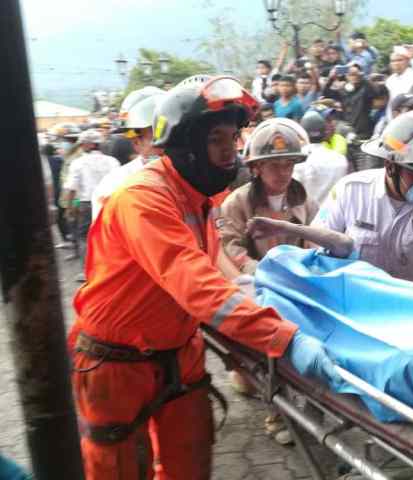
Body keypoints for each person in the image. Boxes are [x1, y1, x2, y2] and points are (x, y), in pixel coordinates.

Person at [68, 76, 339, 479]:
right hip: (116, 365)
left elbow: (217, 271)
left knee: (190, 465)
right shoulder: (143, 198)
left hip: (180, 353)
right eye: (216, 139)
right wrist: (284, 338)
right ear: (185, 145)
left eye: (233, 138)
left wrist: (260, 293)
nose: (230, 151)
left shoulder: (199, 198)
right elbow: (196, 284)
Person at [312, 110, 413, 291]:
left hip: (405, 306)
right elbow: (318, 244)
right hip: (351, 299)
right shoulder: (350, 191)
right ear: (390, 167)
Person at [219, 120, 318, 275]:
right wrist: (264, 275)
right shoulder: (236, 204)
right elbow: (232, 249)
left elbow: (316, 245)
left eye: (288, 164)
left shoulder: (305, 203)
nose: (283, 172)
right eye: (274, 165)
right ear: (257, 167)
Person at [91, 86, 166, 220]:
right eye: (159, 135)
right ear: (136, 142)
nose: (170, 142)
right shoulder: (115, 185)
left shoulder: (201, 178)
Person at [61, 129, 120, 280]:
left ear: (89, 145)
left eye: (82, 144)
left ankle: (88, 272)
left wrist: (70, 207)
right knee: (110, 236)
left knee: (84, 237)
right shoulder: (113, 162)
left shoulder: (78, 163)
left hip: (86, 204)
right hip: (110, 202)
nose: (80, 147)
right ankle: (111, 269)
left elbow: (73, 189)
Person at [296, 110, 349, 204]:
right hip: (335, 214)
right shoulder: (340, 159)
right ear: (324, 132)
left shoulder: (298, 161)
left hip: (309, 215)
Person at [322, 63, 382, 139]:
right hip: (347, 132)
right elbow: (326, 94)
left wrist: (362, 77)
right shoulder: (342, 90)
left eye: (355, 74)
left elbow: (375, 93)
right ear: (346, 76)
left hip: (364, 132)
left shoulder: (365, 88)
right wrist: (330, 78)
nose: (353, 77)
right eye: (351, 74)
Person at [385, 46, 413, 117]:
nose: (396, 63)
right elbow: (389, 103)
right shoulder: (390, 80)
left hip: (410, 116)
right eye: (393, 61)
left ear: (408, 61)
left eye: (399, 60)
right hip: (393, 117)